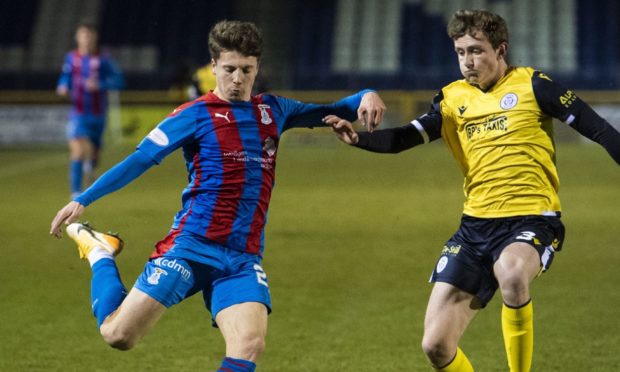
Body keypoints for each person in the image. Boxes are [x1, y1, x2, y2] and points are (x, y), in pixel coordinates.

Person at [50, 20, 385, 372]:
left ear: (257, 69)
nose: (237, 78)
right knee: (119, 335)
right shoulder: (193, 115)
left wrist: (368, 94)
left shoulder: (274, 111)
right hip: (192, 246)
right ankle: (100, 252)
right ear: (213, 68)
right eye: (229, 69)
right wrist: (83, 198)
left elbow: (337, 107)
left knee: (249, 345)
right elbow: (139, 161)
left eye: (246, 69)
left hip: (242, 256)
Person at [325, 9, 620, 372]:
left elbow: (601, 131)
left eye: (477, 51)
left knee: (512, 272)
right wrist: (358, 139)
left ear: (501, 49)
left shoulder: (534, 86)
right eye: (461, 52)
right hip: (475, 227)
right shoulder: (452, 99)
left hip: (532, 219)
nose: (468, 61)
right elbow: (404, 138)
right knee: (435, 345)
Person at [57, 20, 125, 199]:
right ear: (77, 38)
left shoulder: (103, 59)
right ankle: (76, 193)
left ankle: (90, 166)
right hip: (78, 114)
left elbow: (119, 81)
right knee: (78, 150)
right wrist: (63, 86)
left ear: (94, 38)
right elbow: (65, 76)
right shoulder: (71, 58)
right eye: (83, 35)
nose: (86, 39)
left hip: (98, 115)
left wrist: (101, 84)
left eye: (89, 35)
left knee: (94, 155)